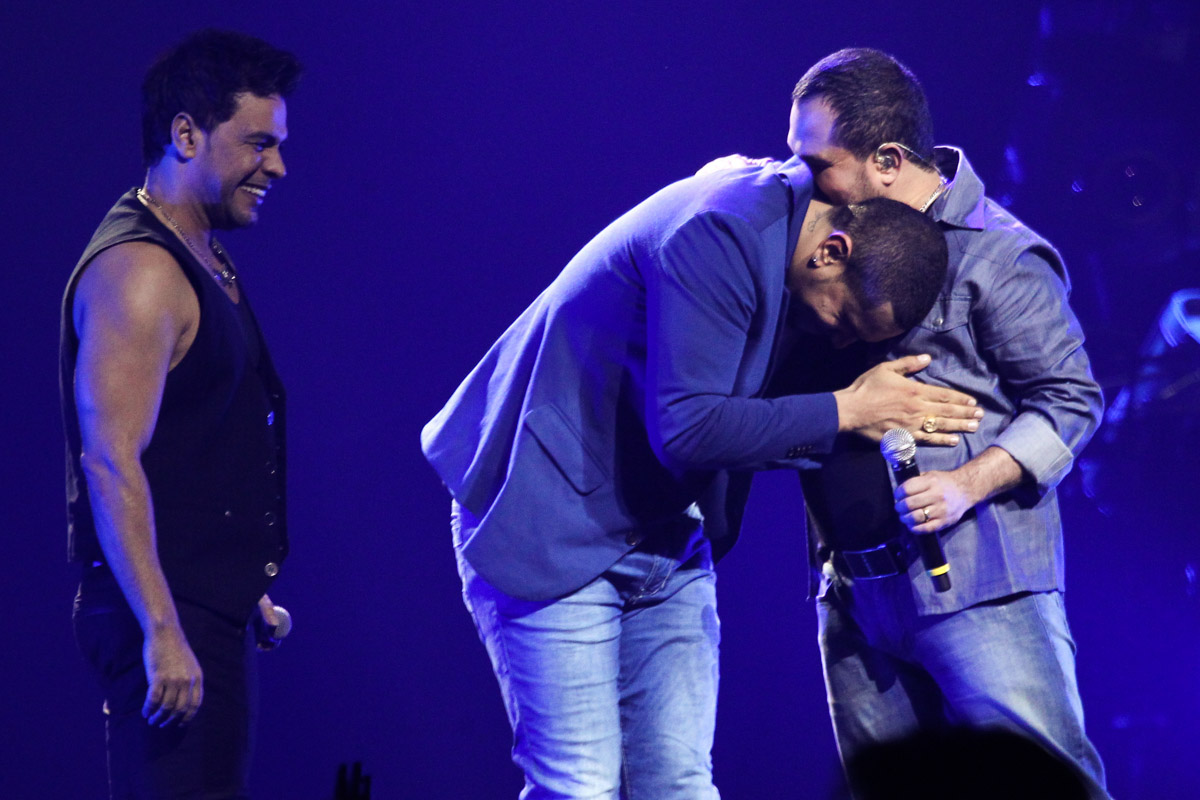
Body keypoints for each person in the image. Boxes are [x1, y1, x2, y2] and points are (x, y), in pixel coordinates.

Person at [422, 154, 981, 797]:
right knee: (579, 786)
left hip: (665, 532)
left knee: (680, 786)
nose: (840, 345)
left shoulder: (791, 245)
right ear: (832, 252)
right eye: (847, 322)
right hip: (549, 512)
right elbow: (688, 429)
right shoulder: (723, 228)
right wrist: (848, 409)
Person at [773, 48, 1108, 798]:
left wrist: (966, 483)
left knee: (1046, 789)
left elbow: (1073, 400)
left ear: (888, 160)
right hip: (854, 598)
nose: (798, 179)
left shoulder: (999, 254)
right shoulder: (817, 240)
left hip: (980, 589)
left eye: (817, 162)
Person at [61, 29, 301, 799]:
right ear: (187, 134)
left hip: (197, 607)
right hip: (159, 614)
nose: (277, 166)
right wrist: (163, 628)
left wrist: (239, 586)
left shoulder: (201, 256)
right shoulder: (140, 272)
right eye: (258, 143)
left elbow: (194, 446)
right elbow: (111, 459)